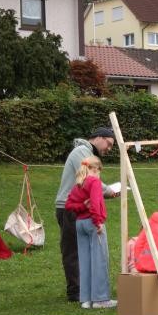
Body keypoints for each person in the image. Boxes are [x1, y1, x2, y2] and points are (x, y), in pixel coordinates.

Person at [55, 127, 118, 302]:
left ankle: (83, 291)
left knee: (80, 250)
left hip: (77, 207)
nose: (109, 148)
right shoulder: (81, 152)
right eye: (109, 143)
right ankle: (76, 291)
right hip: (70, 209)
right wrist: (111, 191)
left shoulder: (85, 152)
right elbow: (91, 180)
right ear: (98, 137)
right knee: (73, 250)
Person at [65, 156, 116, 309]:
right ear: (95, 169)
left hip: (80, 224)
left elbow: (69, 205)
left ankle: (86, 299)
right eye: (99, 171)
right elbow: (95, 203)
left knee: (85, 260)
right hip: (93, 223)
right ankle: (100, 299)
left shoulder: (78, 183)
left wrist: (82, 206)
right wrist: (98, 221)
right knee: (99, 259)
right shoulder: (94, 181)